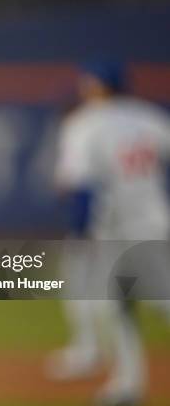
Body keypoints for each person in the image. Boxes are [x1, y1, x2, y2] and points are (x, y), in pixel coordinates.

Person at [50, 61, 170, 406]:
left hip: (116, 228)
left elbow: (80, 187)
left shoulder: (85, 123)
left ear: (98, 87)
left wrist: (80, 233)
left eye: (89, 85)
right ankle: (127, 384)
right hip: (156, 221)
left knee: (136, 305)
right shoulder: (150, 116)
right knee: (119, 305)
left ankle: (128, 382)